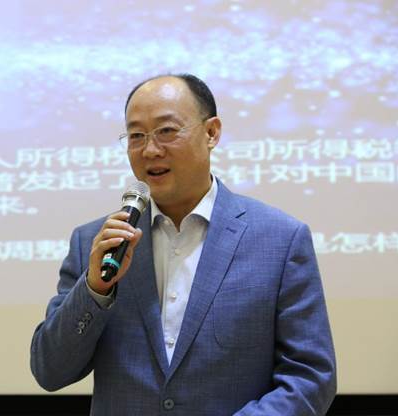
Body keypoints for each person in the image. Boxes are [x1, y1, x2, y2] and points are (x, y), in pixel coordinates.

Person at [30, 74, 337, 415]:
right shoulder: (97, 243)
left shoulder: (280, 240)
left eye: (166, 130)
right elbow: (50, 371)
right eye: (136, 135)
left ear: (211, 133)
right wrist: (95, 290)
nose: (150, 150)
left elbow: (310, 379)